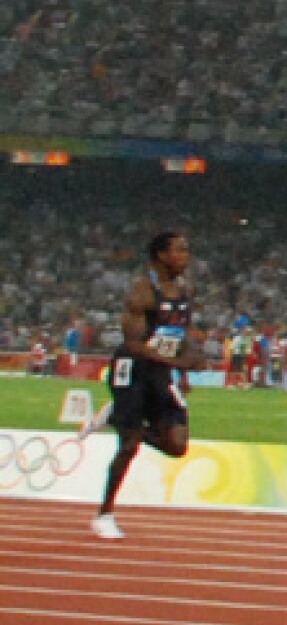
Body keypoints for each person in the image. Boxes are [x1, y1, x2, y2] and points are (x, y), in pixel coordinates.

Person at [90, 231, 204, 540]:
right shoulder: (142, 292)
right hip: (133, 371)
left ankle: (117, 419)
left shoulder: (183, 292)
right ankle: (105, 514)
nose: (186, 256)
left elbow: (177, 335)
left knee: (177, 444)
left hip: (162, 372)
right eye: (180, 250)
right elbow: (134, 344)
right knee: (128, 446)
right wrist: (177, 365)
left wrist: (184, 373)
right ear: (161, 255)